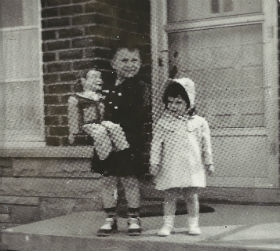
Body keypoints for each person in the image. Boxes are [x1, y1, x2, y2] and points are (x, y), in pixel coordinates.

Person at [90, 41, 150, 237]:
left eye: (135, 60)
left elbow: (138, 116)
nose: (130, 64)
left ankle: (134, 217)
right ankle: (110, 218)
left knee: (129, 180)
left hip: (128, 141)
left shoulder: (140, 87)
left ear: (140, 63)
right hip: (105, 140)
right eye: (124, 60)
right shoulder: (104, 86)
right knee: (107, 180)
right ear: (113, 63)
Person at [150, 78, 214, 237]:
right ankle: (168, 225)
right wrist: (154, 162)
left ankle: (193, 224)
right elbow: (156, 144)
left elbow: (206, 144)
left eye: (178, 102)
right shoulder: (163, 123)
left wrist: (209, 162)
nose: (172, 106)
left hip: (191, 165)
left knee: (191, 196)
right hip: (170, 165)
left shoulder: (199, 122)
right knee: (169, 196)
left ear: (189, 102)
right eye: (170, 102)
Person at [67, 69, 104, 145]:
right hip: (87, 130)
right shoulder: (76, 99)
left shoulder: (102, 97)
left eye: (100, 77)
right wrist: (74, 134)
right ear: (83, 81)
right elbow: (73, 118)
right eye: (94, 77)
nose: (99, 80)